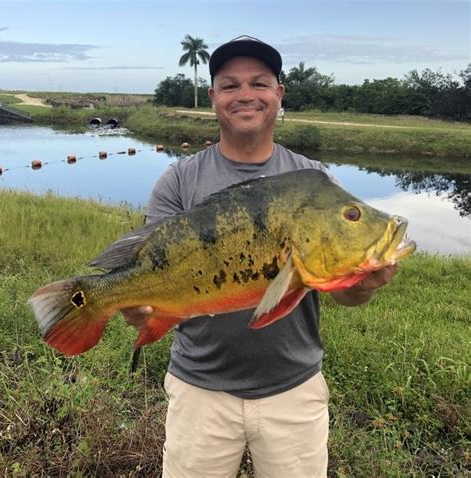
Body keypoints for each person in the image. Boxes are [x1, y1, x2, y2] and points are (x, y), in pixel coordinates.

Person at [125, 35, 398, 478]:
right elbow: (148, 275)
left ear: (278, 94)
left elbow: (342, 295)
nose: (245, 95)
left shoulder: (313, 180)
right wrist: (136, 308)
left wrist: (362, 285)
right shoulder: (178, 180)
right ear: (213, 98)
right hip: (200, 391)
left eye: (259, 83)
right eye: (230, 86)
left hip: (293, 391)